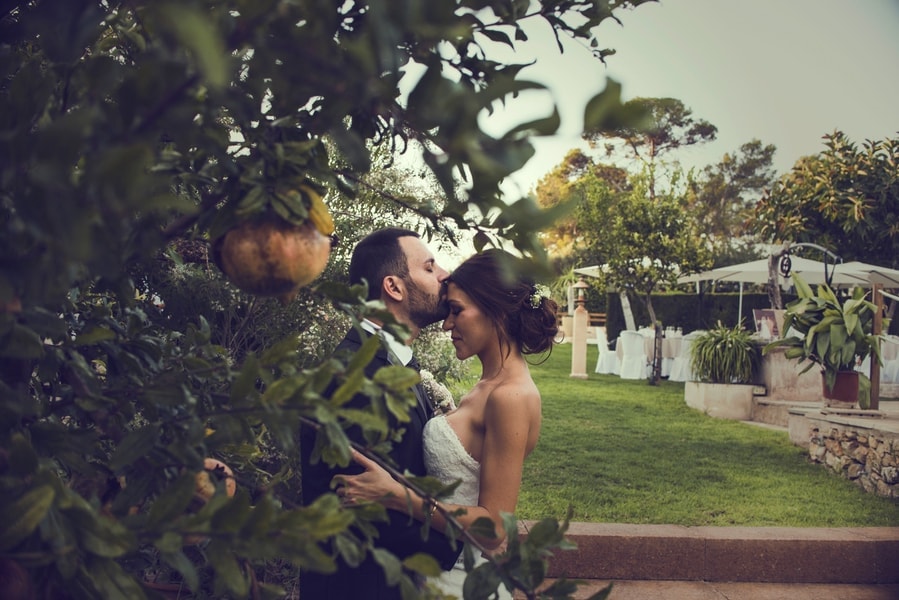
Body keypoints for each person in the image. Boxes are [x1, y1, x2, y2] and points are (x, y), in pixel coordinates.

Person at [336, 248, 560, 597]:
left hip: (460, 580)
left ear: (496, 310)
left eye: (456, 311)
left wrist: (396, 495)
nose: (447, 324)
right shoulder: (490, 386)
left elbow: (495, 527)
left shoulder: (510, 397)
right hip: (434, 571)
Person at [299, 228, 462, 599]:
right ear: (394, 287)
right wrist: (467, 544)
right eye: (430, 267)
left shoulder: (392, 362)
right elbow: (369, 509)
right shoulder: (353, 378)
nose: (445, 275)